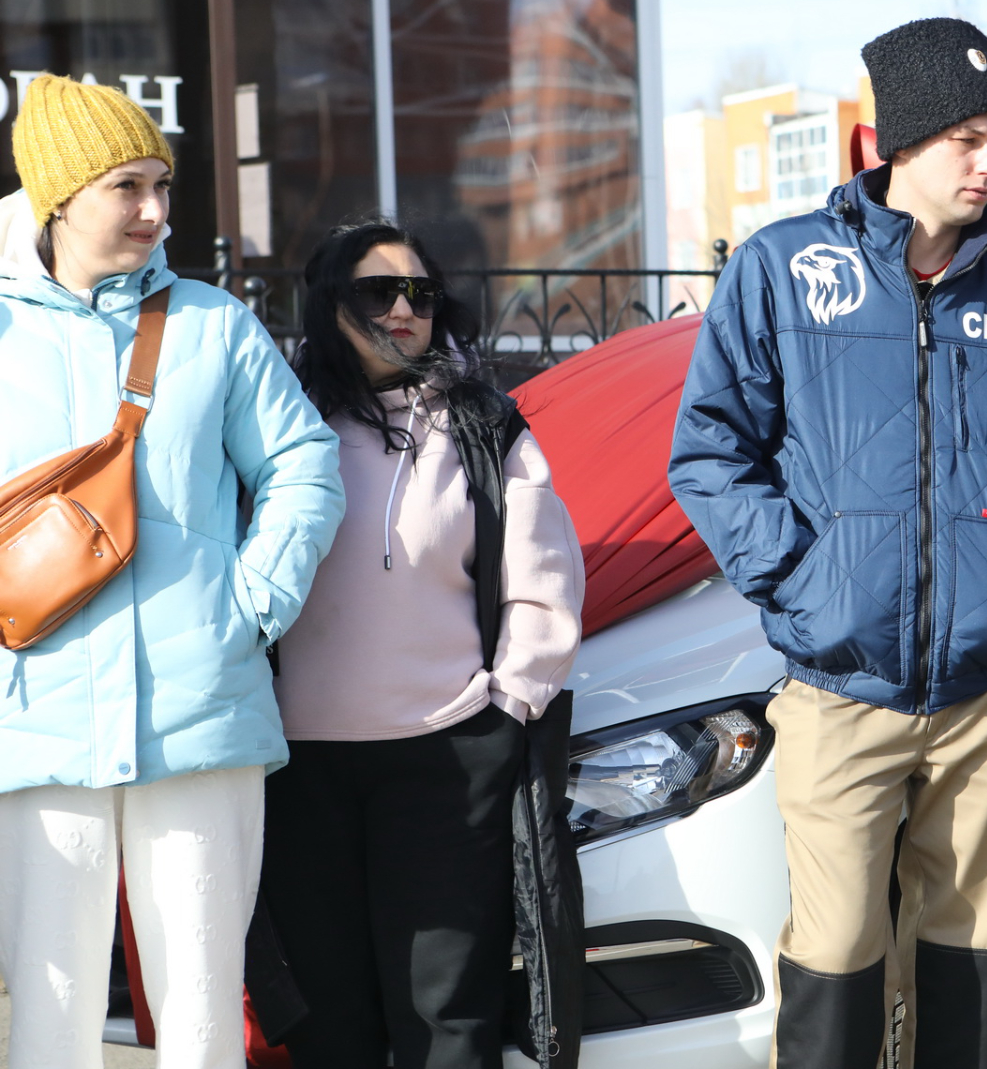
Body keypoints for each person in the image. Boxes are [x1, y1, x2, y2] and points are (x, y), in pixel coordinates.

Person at [669, 17, 987, 1069]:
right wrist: (804, 583)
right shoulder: (784, 269)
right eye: (967, 140)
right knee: (835, 953)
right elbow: (711, 452)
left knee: (974, 953)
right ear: (900, 143)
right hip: (840, 686)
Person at [0, 75, 344, 1066]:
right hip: (35, 717)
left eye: (161, 185)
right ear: (59, 196)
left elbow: (304, 464)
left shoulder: (213, 324)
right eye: (127, 186)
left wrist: (251, 606)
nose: (154, 210)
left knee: (200, 1008)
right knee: (50, 1011)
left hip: (200, 710)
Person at [258, 221, 585, 1068]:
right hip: (297, 767)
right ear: (329, 305)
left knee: (448, 1016)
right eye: (379, 292)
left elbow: (544, 579)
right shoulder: (276, 422)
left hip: (448, 758)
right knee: (329, 1023)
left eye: (421, 293)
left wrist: (507, 708)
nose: (404, 310)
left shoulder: (485, 424)